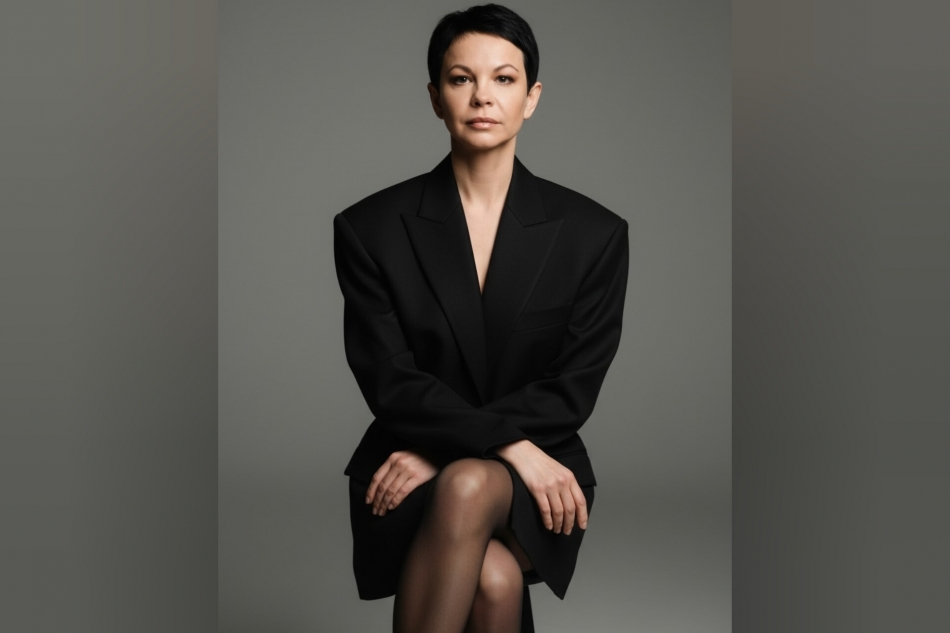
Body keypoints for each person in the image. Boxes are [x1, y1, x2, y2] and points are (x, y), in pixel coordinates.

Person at [332, 4, 629, 632]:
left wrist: (459, 449)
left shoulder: (593, 234)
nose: (482, 97)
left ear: (532, 98)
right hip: (409, 465)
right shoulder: (369, 228)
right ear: (435, 98)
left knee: (467, 484)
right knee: (492, 577)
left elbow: (571, 389)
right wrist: (497, 443)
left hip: (542, 473)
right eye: (461, 78)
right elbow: (389, 380)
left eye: (504, 78)